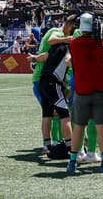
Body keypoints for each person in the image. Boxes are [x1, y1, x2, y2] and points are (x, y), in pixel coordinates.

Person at [66, 13, 103, 174]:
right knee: (101, 126)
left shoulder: (75, 43)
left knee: (79, 126)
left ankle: (73, 161)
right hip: (101, 90)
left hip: (82, 90)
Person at [35, 16, 77, 155]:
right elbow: (68, 60)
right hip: (53, 84)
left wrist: (34, 58)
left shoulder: (56, 45)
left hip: (43, 82)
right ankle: (71, 147)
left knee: (47, 115)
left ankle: (47, 146)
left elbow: (45, 56)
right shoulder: (66, 45)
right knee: (65, 115)